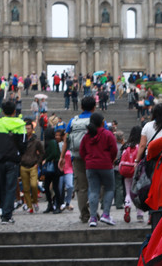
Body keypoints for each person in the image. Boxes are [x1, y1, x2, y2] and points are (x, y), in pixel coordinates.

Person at [0, 100, 26, 224]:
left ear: (2, 111)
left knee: (3, 187)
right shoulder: (20, 124)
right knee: (11, 188)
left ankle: (4, 211)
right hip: (13, 160)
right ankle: (6, 215)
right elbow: (23, 144)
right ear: (14, 111)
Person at [60, 96, 96, 224]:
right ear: (94, 107)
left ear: (81, 107)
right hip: (94, 157)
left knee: (81, 188)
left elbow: (66, 140)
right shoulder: (96, 120)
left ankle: (84, 215)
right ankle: (93, 211)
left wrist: (62, 157)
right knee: (96, 185)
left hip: (77, 157)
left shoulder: (73, 121)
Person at [78, 112, 118, 227]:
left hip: (91, 166)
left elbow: (82, 152)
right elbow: (114, 150)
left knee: (94, 190)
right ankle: (106, 215)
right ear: (102, 122)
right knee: (109, 188)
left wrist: (88, 160)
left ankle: (93, 217)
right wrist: (109, 160)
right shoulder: (108, 134)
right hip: (106, 165)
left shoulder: (86, 136)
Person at [20, 120, 44, 213]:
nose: (27, 130)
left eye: (28, 128)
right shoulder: (22, 140)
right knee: (25, 188)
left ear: (32, 129)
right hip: (23, 165)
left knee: (34, 185)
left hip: (33, 165)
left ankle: (34, 201)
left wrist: (38, 162)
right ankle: (30, 206)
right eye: (25, 128)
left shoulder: (36, 141)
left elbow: (42, 152)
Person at [120, 126, 142, 223]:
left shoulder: (125, 145)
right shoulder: (141, 145)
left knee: (128, 192)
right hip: (138, 172)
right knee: (138, 193)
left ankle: (127, 206)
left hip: (126, 171)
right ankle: (139, 213)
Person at [42, 127, 62, 213]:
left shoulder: (52, 142)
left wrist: (46, 159)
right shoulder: (50, 142)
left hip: (54, 165)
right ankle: (50, 204)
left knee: (55, 186)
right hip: (52, 166)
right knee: (47, 186)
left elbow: (53, 153)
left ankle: (57, 205)